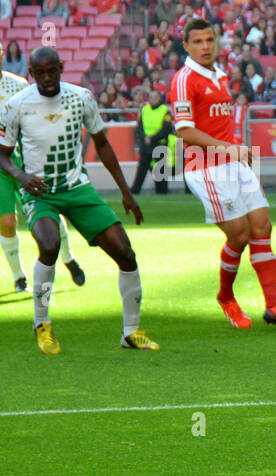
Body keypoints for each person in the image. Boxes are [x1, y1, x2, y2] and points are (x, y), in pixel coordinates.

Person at [0, 47, 158, 354]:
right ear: (31, 74)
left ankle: (131, 331)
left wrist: (126, 192)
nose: (47, 79)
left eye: (52, 71)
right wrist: (22, 177)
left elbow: (102, 144)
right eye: (40, 73)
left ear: (61, 67)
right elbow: (2, 155)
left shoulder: (81, 97)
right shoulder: (17, 104)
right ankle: (42, 324)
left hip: (78, 189)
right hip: (40, 192)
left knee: (125, 253)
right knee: (49, 245)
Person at [169, 18, 276, 330]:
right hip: (204, 168)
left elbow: (217, 123)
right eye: (198, 42)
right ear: (187, 46)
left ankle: (274, 305)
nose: (205, 46)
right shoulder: (184, 79)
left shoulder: (219, 75)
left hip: (232, 161)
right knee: (239, 233)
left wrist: (235, 151)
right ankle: (226, 297)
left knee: (262, 225)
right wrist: (228, 149)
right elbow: (185, 131)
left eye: (209, 40)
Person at [0, 68, 85, 293]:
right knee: (7, 222)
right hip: (1, 165)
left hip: (27, 160)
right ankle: (19, 277)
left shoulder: (17, 84)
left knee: (49, 212)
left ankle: (68, 258)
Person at [131, 88, 172, 195]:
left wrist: (152, 139)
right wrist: (144, 138)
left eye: (155, 97)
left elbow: (166, 129)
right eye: (151, 97)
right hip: (146, 145)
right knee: (141, 170)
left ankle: (162, 192)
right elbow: (139, 127)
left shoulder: (165, 110)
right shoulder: (145, 109)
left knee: (160, 171)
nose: (153, 99)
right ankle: (135, 191)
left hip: (159, 144)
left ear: (159, 98)